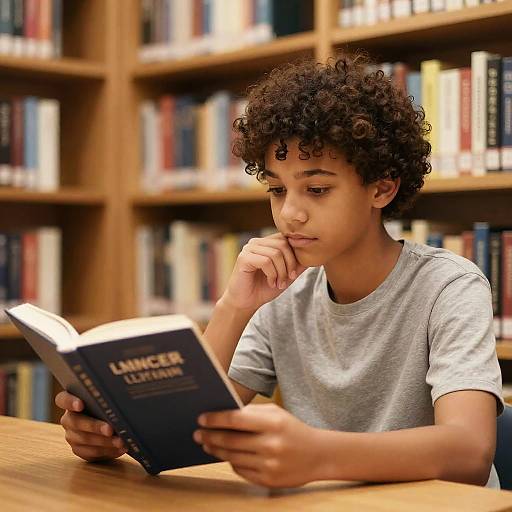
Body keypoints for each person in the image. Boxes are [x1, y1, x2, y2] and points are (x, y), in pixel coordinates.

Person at [56, 51, 503, 489]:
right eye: (276, 189)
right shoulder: (282, 289)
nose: (290, 213)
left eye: (317, 188)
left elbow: (469, 452)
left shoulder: (449, 286)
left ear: (382, 188)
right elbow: (187, 432)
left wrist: (319, 455)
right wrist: (118, 432)